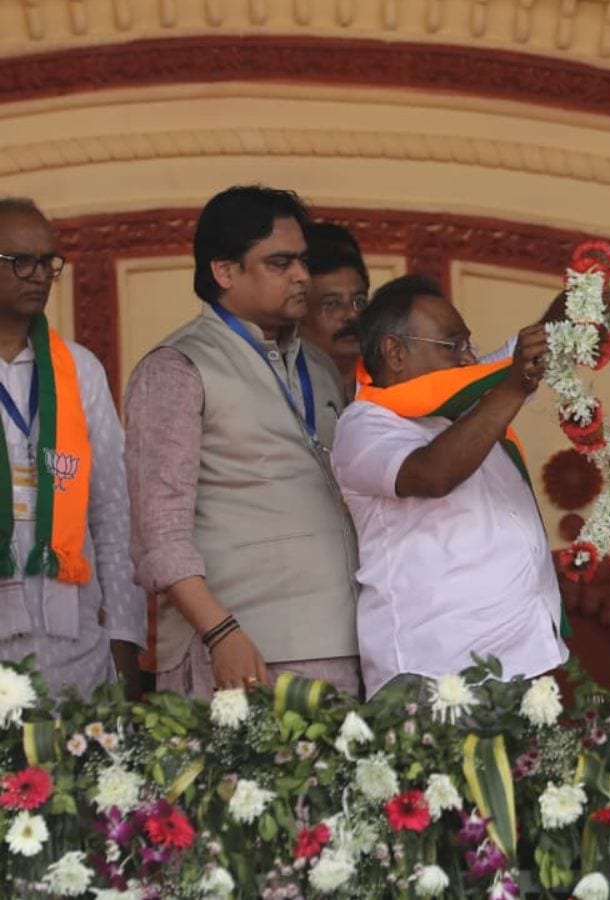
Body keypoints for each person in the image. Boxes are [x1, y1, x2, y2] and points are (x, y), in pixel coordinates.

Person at [126, 185, 360, 698]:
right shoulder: (178, 367)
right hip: (240, 653)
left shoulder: (318, 368)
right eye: (280, 263)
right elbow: (159, 537)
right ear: (225, 271)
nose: (302, 275)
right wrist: (221, 632)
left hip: (344, 643)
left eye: (303, 260)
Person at [332, 274, 566, 698]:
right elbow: (432, 474)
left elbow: (531, 352)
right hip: (437, 671)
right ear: (395, 353)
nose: (467, 359)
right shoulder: (365, 425)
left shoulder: (468, 405)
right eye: (452, 345)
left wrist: (583, 294)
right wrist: (512, 385)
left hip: (523, 660)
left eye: (468, 345)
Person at [0, 199, 143, 698]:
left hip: (74, 644)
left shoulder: (79, 370)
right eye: (20, 262)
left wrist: (125, 636)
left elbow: (112, 508)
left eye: (48, 262)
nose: (39, 275)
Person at [300, 222, 369, 399]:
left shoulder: (391, 382)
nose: (352, 315)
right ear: (299, 315)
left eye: (359, 301)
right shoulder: (284, 389)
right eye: (332, 304)